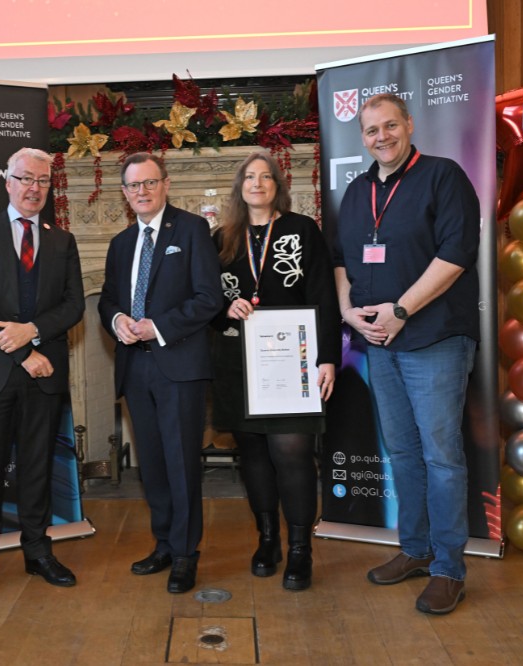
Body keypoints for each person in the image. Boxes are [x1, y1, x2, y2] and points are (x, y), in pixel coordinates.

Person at [333, 93, 480, 615]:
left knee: (442, 457)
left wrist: (401, 309)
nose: (382, 137)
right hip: (378, 344)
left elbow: (457, 253)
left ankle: (448, 568)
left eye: (390, 126)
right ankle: (414, 550)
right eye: (371, 130)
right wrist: (348, 312)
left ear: (410, 125)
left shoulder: (443, 177)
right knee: (403, 454)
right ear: (363, 138)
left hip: (433, 337)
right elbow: (340, 261)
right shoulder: (356, 193)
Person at [0, 147, 85, 601]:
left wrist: (33, 332)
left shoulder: (61, 241)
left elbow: (74, 306)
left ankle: (38, 552)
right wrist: (25, 350)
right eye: (25, 178)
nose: (34, 188)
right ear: (7, 182)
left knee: (36, 469)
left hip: (43, 375)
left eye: (43, 181)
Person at [211, 150, 341, 591]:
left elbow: (325, 294)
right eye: (250, 177)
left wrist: (328, 358)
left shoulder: (303, 230)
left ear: (278, 186)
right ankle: (268, 540)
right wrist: (225, 306)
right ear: (239, 187)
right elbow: (204, 300)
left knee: (292, 453)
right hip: (240, 365)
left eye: (266, 177)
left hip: (296, 364)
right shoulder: (221, 238)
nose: (258, 184)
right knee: (253, 456)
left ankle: (301, 550)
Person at [98, 153, 221, 594]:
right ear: (125, 193)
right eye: (133, 186)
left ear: (165, 184)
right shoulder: (120, 243)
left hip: (179, 366)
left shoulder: (191, 230)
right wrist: (117, 322)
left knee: (181, 462)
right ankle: (165, 543)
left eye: (149, 183)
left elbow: (210, 298)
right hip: (135, 367)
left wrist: (159, 326)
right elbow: (107, 300)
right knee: (151, 465)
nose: (142, 192)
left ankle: (187, 554)